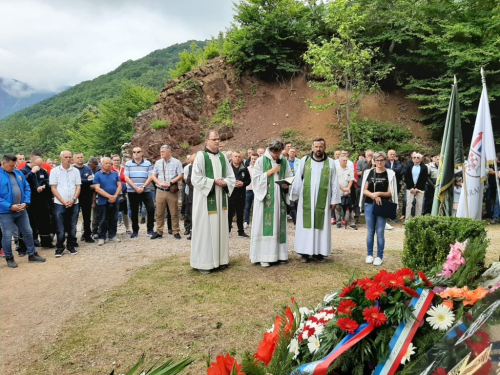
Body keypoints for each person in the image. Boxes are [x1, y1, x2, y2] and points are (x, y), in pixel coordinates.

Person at [190, 130, 236, 274]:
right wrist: (213, 181)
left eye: (218, 139)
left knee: (220, 228)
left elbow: (231, 177)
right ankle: (205, 263)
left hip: (220, 200)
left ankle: (221, 260)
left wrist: (225, 182)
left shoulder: (223, 157)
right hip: (205, 201)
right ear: (207, 141)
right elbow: (195, 178)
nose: (217, 141)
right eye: (214, 139)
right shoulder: (201, 157)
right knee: (205, 230)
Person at [291, 138, 341, 263]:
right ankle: (304, 253)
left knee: (321, 226)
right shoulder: (305, 160)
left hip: (323, 201)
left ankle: (319, 252)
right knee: (305, 226)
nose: (318, 149)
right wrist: (295, 195)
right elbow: (298, 178)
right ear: (312, 147)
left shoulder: (330, 163)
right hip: (306, 199)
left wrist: (334, 200)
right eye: (316, 146)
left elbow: (334, 182)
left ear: (325, 148)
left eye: (321, 147)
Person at [250, 140, 293, 267]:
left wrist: (287, 185)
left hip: (279, 199)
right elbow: (256, 180)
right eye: (276, 153)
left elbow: (289, 176)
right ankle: (264, 256)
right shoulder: (261, 161)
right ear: (271, 150)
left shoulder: (284, 161)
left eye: (279, 153)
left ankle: (280, 255)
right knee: (266, 227)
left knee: (279, 226)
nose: (277, 156)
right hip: (266, 200)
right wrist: (270, 172)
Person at [0, 154, 46, 267]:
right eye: (11, 166)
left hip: (21, 209)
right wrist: (10, 206)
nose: (13, 167)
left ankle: (32, 254)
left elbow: (26, 187)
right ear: (3, 163)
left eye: (14, 165)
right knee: (7, 235)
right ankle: (9, 258)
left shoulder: (18, 173)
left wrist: (26, 202)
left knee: (28, 232)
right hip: (5, 211)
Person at [359, 151, 398, 266]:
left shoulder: (389, 174)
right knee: (370, 231)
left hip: (383, 205)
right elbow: (365, 190)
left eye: (381, 160)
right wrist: (373, 196)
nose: (379, 162)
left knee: (380, 232)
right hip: (369, 204)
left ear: (385, 161)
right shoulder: (369, 172)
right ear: (374, 161)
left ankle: (379, 256)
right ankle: (370, 254)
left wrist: (378, 194)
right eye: (377, 160)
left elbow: (391, 193)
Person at [49, 150, 82, 257]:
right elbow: (53, 188)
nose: (68, 159)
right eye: (66, 157)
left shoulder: (76, 171)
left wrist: (73, 199)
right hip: (59, 203)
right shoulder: (54, 171)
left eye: (69, 157)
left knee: (72, 226)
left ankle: (71, 246)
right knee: (60, 227)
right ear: (61, 158)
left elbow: (78, 186)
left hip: (74, 202)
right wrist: (63, 201)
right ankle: (59, 247)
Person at [20, 156, 54, 248]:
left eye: (40, 165)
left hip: (42, 200)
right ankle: (30, 243)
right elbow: (21, 182)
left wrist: (44, 186)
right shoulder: (23, 171)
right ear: (31, 163)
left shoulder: (42, 171)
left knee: (44, 221)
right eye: (37, 165)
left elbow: (49, 180)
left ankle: (46, 243)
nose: (39, 167)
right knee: (30, 222)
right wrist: (31, 173)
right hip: (29, 201)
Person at [151, 145, 184, 239]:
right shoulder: (158, 163)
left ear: (169, 152)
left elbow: (181, 175)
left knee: (174, 212)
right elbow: (153, 175)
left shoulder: (176, 162)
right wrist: (160, 183)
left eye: (163, 152)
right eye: (161, 151)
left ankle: (175, 231)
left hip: (171, 190)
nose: (161, 153)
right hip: (160, 190)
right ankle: (159, 231)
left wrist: (171, 182)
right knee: (159, 212)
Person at [124, 147, 155, 238]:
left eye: (138, 152)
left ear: (142, 153)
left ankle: (150, 230)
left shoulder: (147, 163)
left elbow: (150, 177)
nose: (136, 153)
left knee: (151, 209)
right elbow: (126, 177)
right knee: (134, 211)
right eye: (134, 152)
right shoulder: (128, 164)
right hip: (132, 191)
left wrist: (143, 187)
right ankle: (135, 231)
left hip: (145, 190)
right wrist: (135, 187)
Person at [93, 157, 122, 245]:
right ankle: (102, 237)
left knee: (114, 219)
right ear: (101, 164)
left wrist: (115, 196)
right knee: (103, 219)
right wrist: (109, 196)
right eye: (106, 163)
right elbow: (97, 189)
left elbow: (119, 186)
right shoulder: (98, 175)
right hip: (103, 201)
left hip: (115, 200)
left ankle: (112, 235)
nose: (109, 165)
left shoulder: (115, 174)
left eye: (110, 163)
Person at [228, 151, 251, 237]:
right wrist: (231, 183)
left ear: (241, 158)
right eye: (235, 156)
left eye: (239, 156)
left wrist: (243, 183)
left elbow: (248, 180)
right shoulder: (228, 168)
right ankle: (227, 230)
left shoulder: (244, 168)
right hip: (230, 194)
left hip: (241, 194)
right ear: (232, 157)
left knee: (240, 213)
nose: (237, 158)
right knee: (229, 214)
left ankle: (241, 231)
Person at [74, 152, 96, 243]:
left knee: (87, 217)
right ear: (74, 159)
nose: (80, 159)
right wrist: (84, 181)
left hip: (86, 196)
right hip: (75, 196)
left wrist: (80, 181)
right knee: (74, 218)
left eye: (81, 157)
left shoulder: (88, 169)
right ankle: (72, 237)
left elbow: (91, 181)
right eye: (78, 157)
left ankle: (87, 235)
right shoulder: (72, 169)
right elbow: (73, 182)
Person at [403, 152, 428, 221]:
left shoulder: (424, 167)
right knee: (409, 204)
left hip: (420, 188)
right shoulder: (409, 166)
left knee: (419, 205)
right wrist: (411, 187)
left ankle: (418, 220)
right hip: (410, 188)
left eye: (418, 157)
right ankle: (407, 220)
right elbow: (406, 177)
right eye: (414, 157)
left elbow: (424, 179)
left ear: (421, 159)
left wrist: (417, 188)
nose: (416, 159)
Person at [111, 155, 131, 234]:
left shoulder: (124, 169)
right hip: (113, 192)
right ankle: (113, 228)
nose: (116, 162)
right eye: (115, 160)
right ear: (112, 161)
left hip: (123, 192)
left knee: (124, 210)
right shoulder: (110, 169)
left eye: (118, 160)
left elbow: (127, 178)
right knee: (113, 210)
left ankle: (127, 227)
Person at [335, 155, 356, 230]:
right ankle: (338, 222)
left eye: (346, 160)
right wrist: (343, 188)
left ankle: (352, 222)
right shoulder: (336, 169)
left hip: (348, 191)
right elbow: (335, 181)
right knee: (337, 207)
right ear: (340, 161)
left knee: (350, 207)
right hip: (339, 191)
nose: (345, 162)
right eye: (343, 160)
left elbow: (351, 180)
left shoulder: (350, 169)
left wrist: (347, 189)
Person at [244, 153, 258, 229]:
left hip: (257, 190)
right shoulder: (248, 168)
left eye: (255, 159)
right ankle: (246, 221)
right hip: (249, 190)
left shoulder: (260, 169)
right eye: (252, 159)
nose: (253, 160)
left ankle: (256, 222)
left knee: (256, 207)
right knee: (247, 207)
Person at [184, 154, 195, 239]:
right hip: (192, 194)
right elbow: (188, 180)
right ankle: (191, 232)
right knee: (191, 214)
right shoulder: (190, 167)